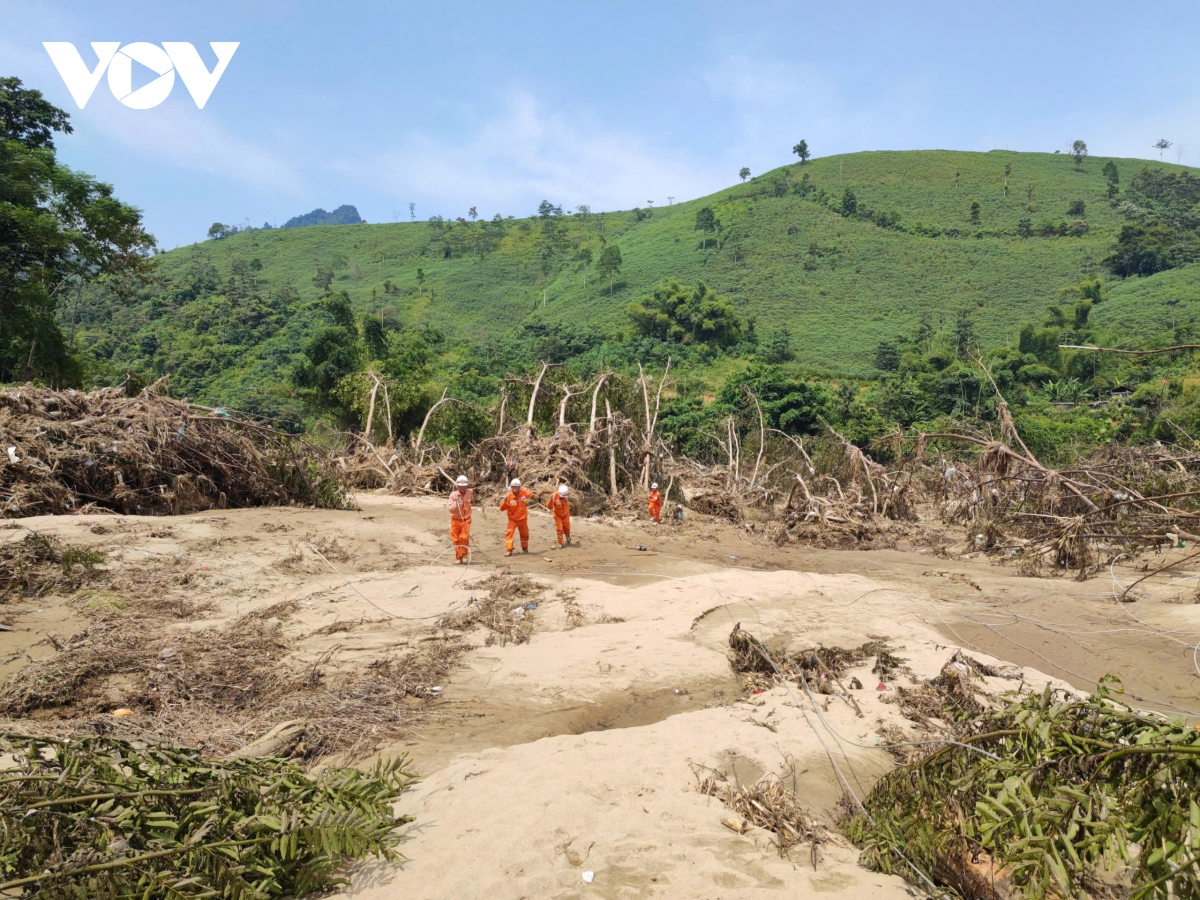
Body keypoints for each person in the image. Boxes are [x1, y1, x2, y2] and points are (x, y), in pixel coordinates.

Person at [499, 477, 534, 555]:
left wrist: (533, 495)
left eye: (516, 486)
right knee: (509, 534)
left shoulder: (523, 493)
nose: (515, 488)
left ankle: (525, 548)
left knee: (525, 534)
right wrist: (504, 502)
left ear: (519, 487)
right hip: (512, 520)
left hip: (523, 519)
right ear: (511, 487)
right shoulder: (508, 497)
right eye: (513, 487)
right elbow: (501, 508)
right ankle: (509, 550)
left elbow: (531, 495)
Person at [448, 475, 473, 564]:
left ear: (467, 486)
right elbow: (450, 509)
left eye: (464, 486)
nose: (462, 488)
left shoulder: (470, 492)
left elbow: (471, 500)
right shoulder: (453, 496)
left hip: (466, 518)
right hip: (456, 519)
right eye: (460, 486)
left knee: (464, 537)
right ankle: (458, 557)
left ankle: (464, 553)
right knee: (456, 539)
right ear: (457, 486)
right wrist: (456, 503)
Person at [547, 483, 571, 548]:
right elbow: (548, 506)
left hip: (565, 513)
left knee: (567, 527)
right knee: (559, 528)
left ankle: (568, 536)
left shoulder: (567, 493)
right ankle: (561, 542)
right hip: (557, 514)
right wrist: (550, 500)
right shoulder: (554, 496)